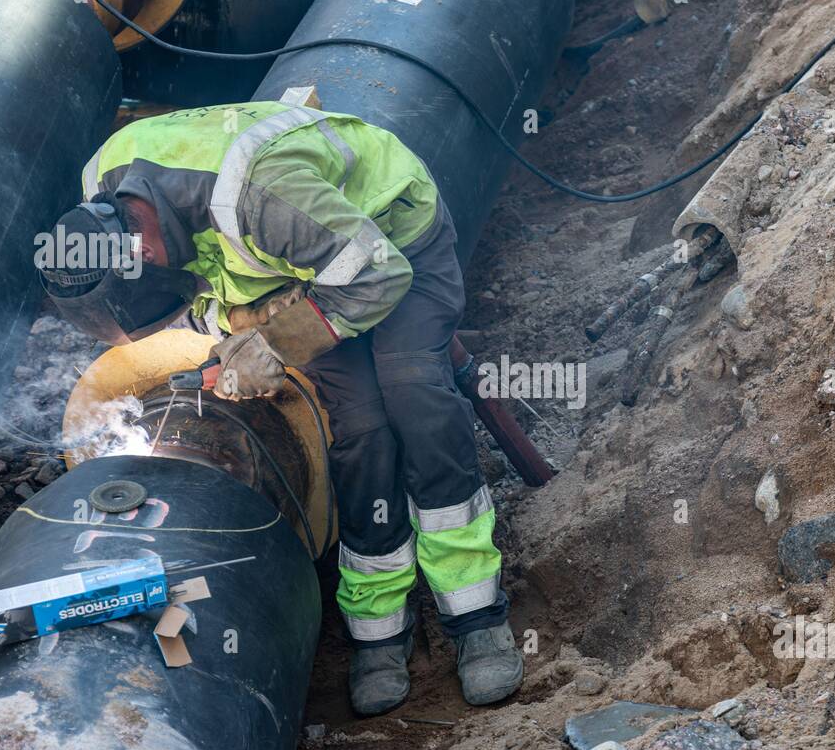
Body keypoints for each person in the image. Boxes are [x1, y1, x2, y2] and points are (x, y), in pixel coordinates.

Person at [40, 100, 523, 715]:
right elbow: (200, 301)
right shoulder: (101, 195)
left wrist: (272, 344)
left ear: (139, 247)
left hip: (391, 243)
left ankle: (476, 615)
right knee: (362, 429)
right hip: (294, 273)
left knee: (414, 398)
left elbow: (378, 275)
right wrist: (237, 337)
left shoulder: (258, 200)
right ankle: (381, 628)